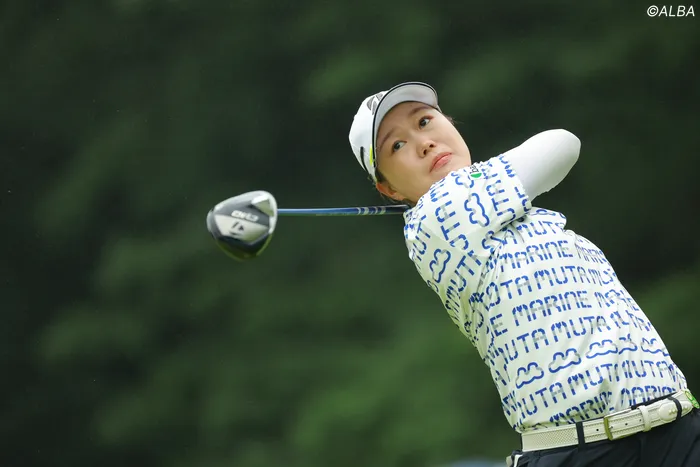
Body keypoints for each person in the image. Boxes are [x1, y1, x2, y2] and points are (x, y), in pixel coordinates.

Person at [348, 82, 700, 466]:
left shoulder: (520, 215)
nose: (424, 143)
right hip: (585, 453)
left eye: (424, 121)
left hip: (676, 426)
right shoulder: (437, 218)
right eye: (397, 145)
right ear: (388, 188)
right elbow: (561, 143)